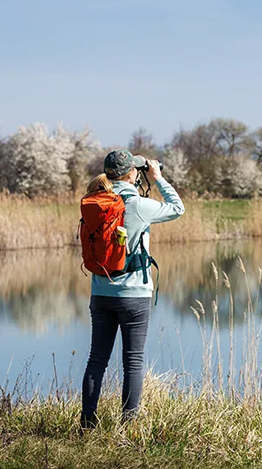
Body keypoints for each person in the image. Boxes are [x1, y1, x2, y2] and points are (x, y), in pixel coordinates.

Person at [80, 149, 184, 427]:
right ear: (132, 174)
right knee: (133, 362)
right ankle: (128, 424)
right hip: (134, 296)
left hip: (100, 293)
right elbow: (177, 208)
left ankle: (87, 423)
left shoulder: (95, 201)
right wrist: (158, 178)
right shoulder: (138, 204)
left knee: (96, 360)